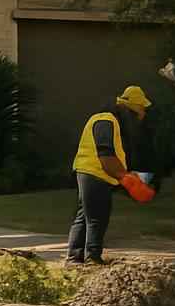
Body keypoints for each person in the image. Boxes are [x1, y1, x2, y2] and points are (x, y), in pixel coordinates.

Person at [66, 85, 156, 265]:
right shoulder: (105, 120)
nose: (140, 118)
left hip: (96, 173)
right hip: (93, 172)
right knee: (97, 217)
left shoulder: (113, 122)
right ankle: (91, 258)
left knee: (85, 216)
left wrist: (126, 176)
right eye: (138, 113)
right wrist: (125, 178)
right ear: (129, 110)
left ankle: (75, 259)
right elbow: (105, 154)